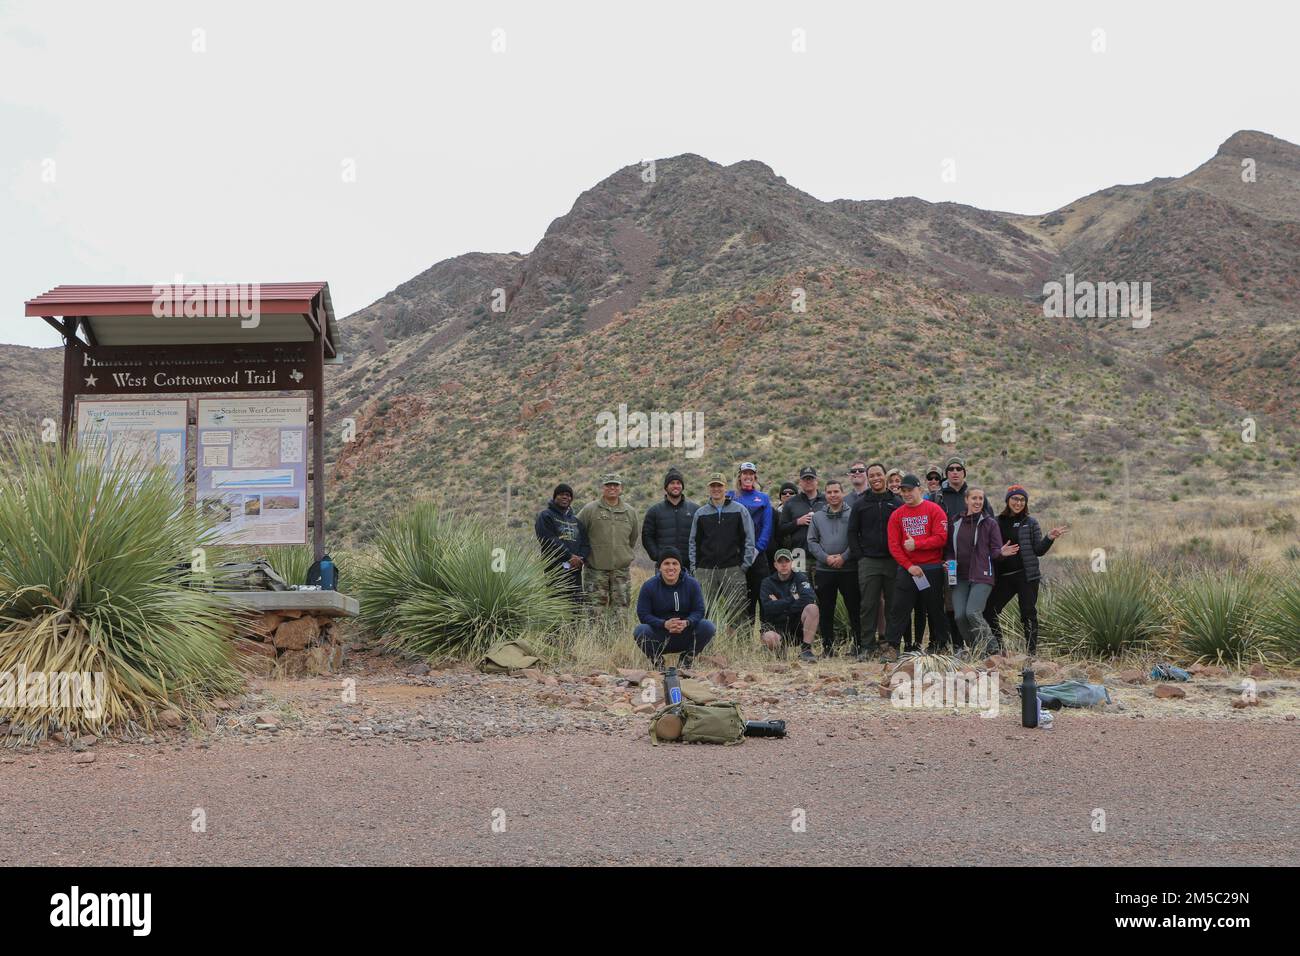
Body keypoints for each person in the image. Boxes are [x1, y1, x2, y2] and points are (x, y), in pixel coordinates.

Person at [983, 485, 1068, 654]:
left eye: (1022, 500)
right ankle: (1000, 648)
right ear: (1008, 500)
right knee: (989, 611)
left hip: (1027, 576)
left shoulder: (1030, 523)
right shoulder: (996, 522)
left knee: (1028, 614)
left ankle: (1031, 653)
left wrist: (1049, 538)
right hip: (1004, 577)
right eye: (1015, 498)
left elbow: (1038, 551)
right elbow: (990, 549)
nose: (1018, 502)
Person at [884, 474, 950, 653]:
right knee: (899, 607)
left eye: (909, 490)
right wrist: (909, 566)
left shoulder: (934, 510)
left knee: (935, 608)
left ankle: (940, 645)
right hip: (908, 568)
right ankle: (893, 646)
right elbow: (894, 546)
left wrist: (917, 544)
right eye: (903, 491)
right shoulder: (897, 515)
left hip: (932, 567)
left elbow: (941, 538)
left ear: (919, 489)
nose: (906, 494)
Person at [944, 486, 1008, 651]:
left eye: (981, 499)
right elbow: (950, 550)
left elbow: (995, 551)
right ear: (966, 500)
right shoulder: (955, 521)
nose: (978, 502)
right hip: (959, 576)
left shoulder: (989, 523)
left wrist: (1001, 552)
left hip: (982, 576)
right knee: (959, 616)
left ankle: (992, 648)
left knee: (972, 612)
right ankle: (976, 650)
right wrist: (949, 562)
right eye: (974, 498)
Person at [847, 462, 901, 656]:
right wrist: (860, 556)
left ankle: (892, 646)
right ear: (868, 479)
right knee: (868, 605)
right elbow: (852, 532)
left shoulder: (896, 502)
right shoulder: (861, 503)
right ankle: (867, 647)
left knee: (893, 605)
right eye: (872, 475)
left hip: (893, 560)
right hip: (868, 561)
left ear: (885, 476)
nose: (876, 478)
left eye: (879, 474)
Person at [633, 548, 714, 670]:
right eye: (666, 563)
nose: (671, 567)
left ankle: (686, 660)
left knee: (708, 626)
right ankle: (658, 663)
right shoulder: (649, 586)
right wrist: (664, 624)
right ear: (659, 567)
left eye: (675, 563)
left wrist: (687, 622)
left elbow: (699, 611)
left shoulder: (692, 584)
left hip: (685, 633)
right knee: (640, 631)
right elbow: (643, 614)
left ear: (680, 567)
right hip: (660, 635)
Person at [688, 472, 755, 617]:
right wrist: (695, 568)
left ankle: (738, 641)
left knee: (737, 612)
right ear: (708, 488)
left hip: (733, 569)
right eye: (713, 486)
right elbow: (693, 542)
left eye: (719, 485)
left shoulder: (739, 510)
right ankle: (709, 640)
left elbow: (749, 539)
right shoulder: (700, 513)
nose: (716, 489)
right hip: (705, 571)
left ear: (726, 488)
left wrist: (744, 565)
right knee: (705, 612)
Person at [808, 480, 860, 656]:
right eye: (829, 492)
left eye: (836, 491)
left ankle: (859, 645)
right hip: (825, 570)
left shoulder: (853, 514)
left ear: (842, 493)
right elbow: (812, 541)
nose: (833, 495)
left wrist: (844, 557)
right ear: (825, 494)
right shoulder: (817, 517)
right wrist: (826, 557)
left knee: (854, 608)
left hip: (849, 569)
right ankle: (828, 648)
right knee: (826, 609)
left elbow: (857, 538)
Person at [577, 473, 639, 610]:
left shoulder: (630, 512)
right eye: (608, 485)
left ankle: (619, 633)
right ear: (602, 487)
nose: (612, 487)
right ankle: (594, 633)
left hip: (621, 571)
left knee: (621, 609)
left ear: (621, 487)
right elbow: (577, 532)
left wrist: (622, 553)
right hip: (595, 570)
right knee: (594, 610)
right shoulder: (589, 510)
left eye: (615, 484)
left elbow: (633, 538)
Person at [534, 483, 590, 605]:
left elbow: (586, 544)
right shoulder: (546, 516)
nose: (565, 497)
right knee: (557, 605)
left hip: (575, 570)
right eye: (561, 494)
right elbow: (548, 539)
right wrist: (570, 556)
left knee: (575, 606)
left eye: (568, 495)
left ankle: (575, 625)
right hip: (555, 570)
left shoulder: (576, 522)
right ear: (555, 497)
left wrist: (580, 558)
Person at [731, 462, 773, 623]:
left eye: (751, 474)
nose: (748, 476)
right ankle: (744, 640)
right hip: (737, 556)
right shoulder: (731, 496)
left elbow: (767, 527)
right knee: (742, 600)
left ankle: (766, 635)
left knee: (763, 597)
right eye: (744, 473)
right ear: (739, 476)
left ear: (755, 476)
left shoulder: (763, 498)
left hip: (758, 556)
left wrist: (757, 549)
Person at [759, 548, 818, 663]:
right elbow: (768, 608)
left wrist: (779, 603)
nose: (784, 564)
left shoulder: (800, 577)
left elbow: (809, 598)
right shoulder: (767, 582)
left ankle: (806, 650)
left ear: (791, 563)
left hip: (796, 625)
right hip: (775, 625)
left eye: (786, 561)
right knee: (770, 639)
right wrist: (793, 598)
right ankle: (780, 651)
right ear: (775, 565)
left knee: (812, 608)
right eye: (780, 562)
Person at [641, 467, 698, 573]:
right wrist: (657, 556)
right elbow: (647, 537)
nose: (675, 486)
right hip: (664, 567)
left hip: (688, 567)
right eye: (672, 483)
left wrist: (696, 558)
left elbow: (701, 537)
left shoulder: (695, 510)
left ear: (682, 486)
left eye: (678, 483)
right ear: (666, 487)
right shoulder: (654, 511)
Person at [779, 466, 826, 579]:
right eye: (805, 479)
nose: (808, 481)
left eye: (811, 478)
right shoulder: (791, 502)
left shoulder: (826, 500)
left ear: (816, 481)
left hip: (822, 553)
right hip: (798, 554)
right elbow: (781, 529)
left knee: (823, 591)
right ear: (800, 482)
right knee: (801, 591)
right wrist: (797, 522)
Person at [770, 480, 798, 564]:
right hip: (779, 555)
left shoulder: (803, 513)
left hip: (799, 554)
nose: (787, 495)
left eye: (791, 493)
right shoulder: (773, 514)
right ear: (780, 497)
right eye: (784, 493)